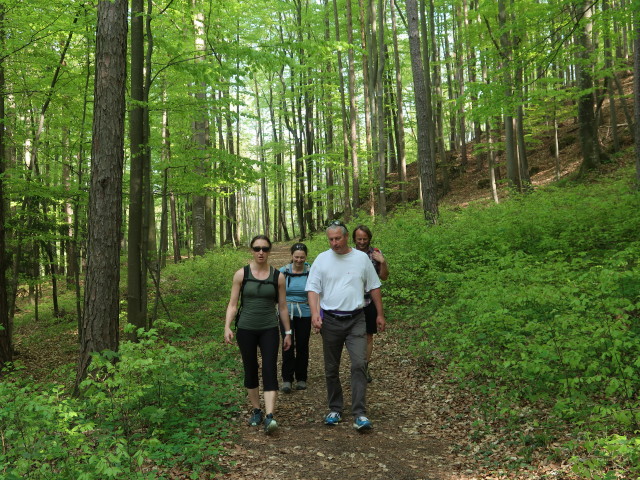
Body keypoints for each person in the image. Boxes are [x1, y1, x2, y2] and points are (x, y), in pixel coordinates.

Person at [306, 221, 385, 432]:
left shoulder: (361, 259)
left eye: (337, 238)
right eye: (330, 239)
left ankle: (359, 413)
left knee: (359, 364)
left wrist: (379, 314)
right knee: (331, 368)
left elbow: (374, 286)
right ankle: (335, 408)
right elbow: (312, 289)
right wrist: (315, 313)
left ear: (346, 237)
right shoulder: (322, 259)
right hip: (331, 320)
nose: (334, 243)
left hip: (356, 319)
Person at [224, 235, 291, 435]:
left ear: (269, 251)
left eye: (264, 248)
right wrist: (227, 326)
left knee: (269, 367)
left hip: (269, 327)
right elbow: (233, 304)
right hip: (246, 328)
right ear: (251, 250)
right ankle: (256, 410)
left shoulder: (277, 276)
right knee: (250, 367)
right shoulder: (241, 275)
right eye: (257, 248)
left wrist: (287, 332)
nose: (260, 252)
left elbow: (283, 306)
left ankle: (270, 415)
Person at [353, 225, 389, 383]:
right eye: (359, 239)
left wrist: (383, 262)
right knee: (353, 336)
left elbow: (384, 277)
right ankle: (357, 365)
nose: (362, 242)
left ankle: (364, 367)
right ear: (354, 239)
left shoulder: (375, 253)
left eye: (364, 239)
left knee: (368, 336)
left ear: (369, 238)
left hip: (370, 301)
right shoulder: (348, 254)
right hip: (352, 301)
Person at [279, 243, 312, 393]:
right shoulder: (283, 272)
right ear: (292, 256)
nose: (299, 260)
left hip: (305, 312)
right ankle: (287, 379)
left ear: (306, 257)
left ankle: (301, 378)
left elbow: (317, 293)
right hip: (286, 313)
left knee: (303, 345)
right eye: (296, 257)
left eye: (302, 257)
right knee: (288, 344)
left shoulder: (311, 271)